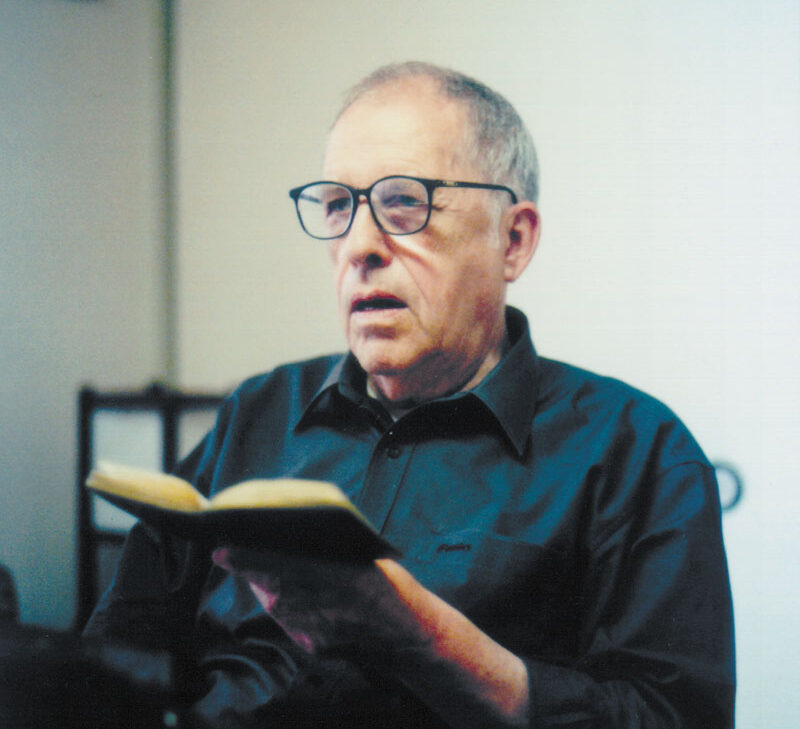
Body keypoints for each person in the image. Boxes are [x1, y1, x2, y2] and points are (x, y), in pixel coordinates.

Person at [84, 62, 735, 728]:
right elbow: (116, 654)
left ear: (512, 240)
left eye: (405, 202)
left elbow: (673, 717)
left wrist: (426, 642)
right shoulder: (258, 410)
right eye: (338, 206)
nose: (359, 246)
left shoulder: (636, 451)